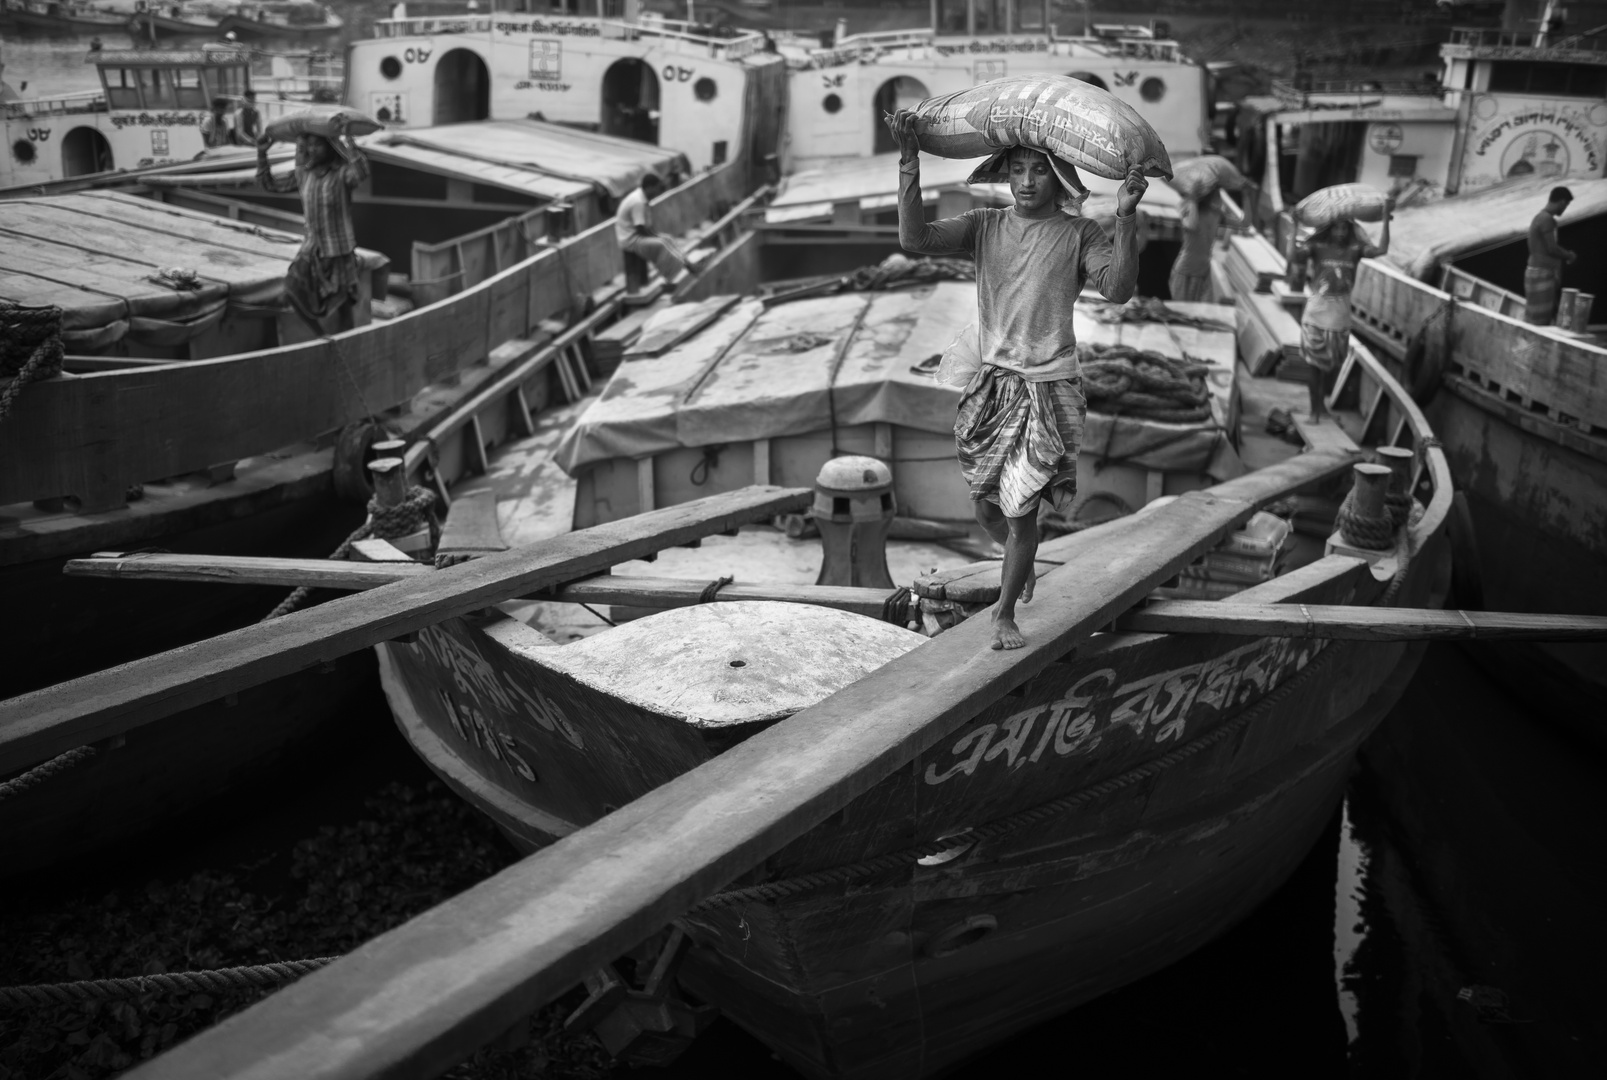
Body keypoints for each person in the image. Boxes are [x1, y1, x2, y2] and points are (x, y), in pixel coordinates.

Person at [886, 109, 1147, 651]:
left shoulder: (1081, 232)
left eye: (1040, 171)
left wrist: (1126, 218)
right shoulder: (985, 224)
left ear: (1062, 179)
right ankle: (1019, 560)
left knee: (1020, 504)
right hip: (993, 384)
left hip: (1049, 387)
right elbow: (915, 239)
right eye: (1019, 170)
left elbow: (1118, 289)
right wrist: (910, 161)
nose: (1027, 182)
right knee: (986, 508)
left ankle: (1004, 614)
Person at [256, 125, 370, 331]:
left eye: (318, 145)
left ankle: (345, 342)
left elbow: (360, 173)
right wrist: (262, 153)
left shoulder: (342, 174)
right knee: (291, 290)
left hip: (338, 252)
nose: (311, 150)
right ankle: (321, 336)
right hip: (311, 250)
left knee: (342, 305)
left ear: (330, 147)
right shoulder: (303, 174)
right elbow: (270, 184)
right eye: (308, 146)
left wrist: (351, 146)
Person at [1286, 213, 1390, 422]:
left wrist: (1385, 219)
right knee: (1315, 367)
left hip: (1340, 318)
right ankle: (1314, 411)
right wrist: (1295, 225)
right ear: (1329, 229)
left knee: (1330, 367)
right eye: (1336, 228)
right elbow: (1292, 255)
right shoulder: (1317, 248)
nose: (1341, 233)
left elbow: (1381, 249)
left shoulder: (1355, 250)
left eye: (1344, 228)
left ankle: (1321, 407)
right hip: (1316, 316)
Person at [615, 173, 687, 286]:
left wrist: (657, 235)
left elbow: (646, 227)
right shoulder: (637, 201)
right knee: (662, 245)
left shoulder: (642, 198)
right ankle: (670, 276)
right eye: (656, 188)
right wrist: (657, 237)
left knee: (668, 239)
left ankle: (681, 268)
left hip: (636, 236)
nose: (658, 192)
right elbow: (640, 229)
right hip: (630, 240)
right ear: (649, 187)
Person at [1525, 186, 1575, 326]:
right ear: (1562, 202)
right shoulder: (1546, 219)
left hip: (1536, 272)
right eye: (1566, 205)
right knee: (1541, 321)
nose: (1564, 209)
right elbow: (1552, 249)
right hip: (1542, 274)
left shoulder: (1539, 217)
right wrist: (1569, 255)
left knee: (1536, 318)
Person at [1170, 188, 1222, 303]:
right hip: (1185, 271)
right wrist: (1193, 200)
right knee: (1182, 312)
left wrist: (1246, 196)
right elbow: (1192, 225)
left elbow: (1245, 223)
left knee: (1198, 315)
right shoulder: (1186, 209)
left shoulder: (1215, 214)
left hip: (1203, 271)